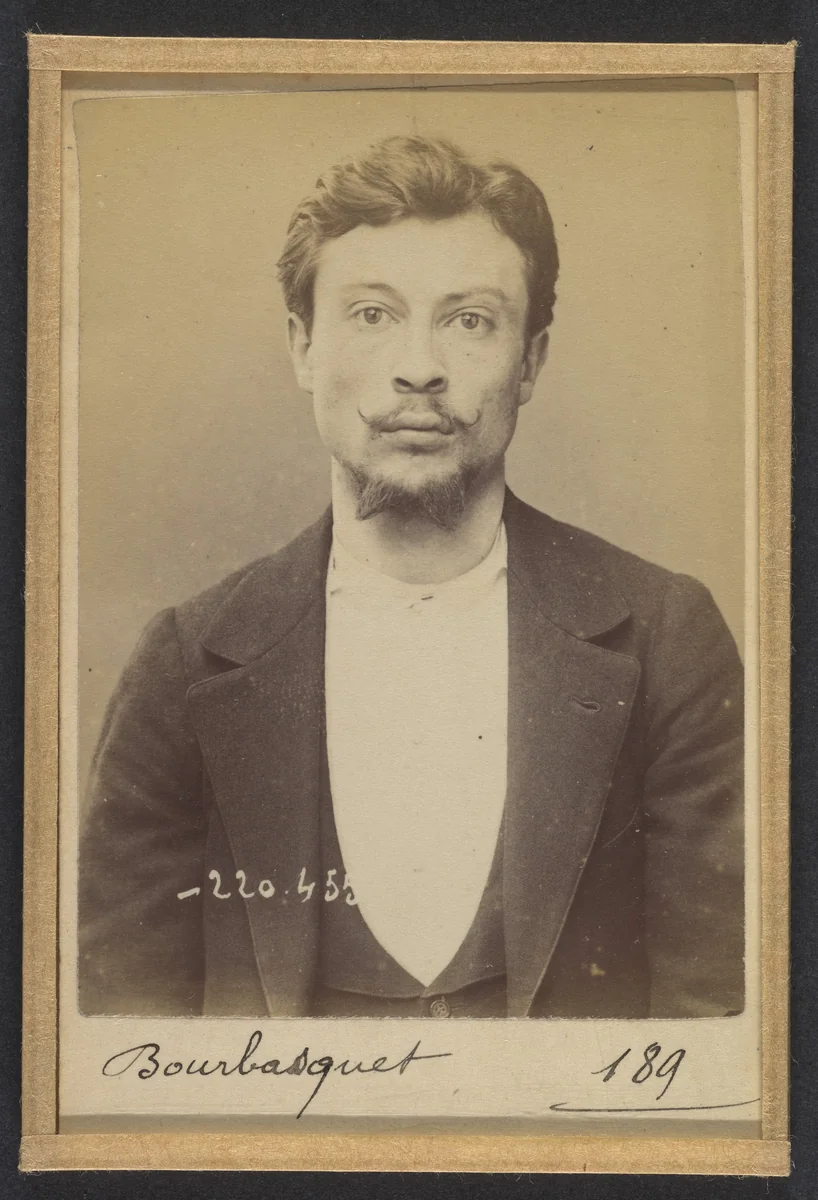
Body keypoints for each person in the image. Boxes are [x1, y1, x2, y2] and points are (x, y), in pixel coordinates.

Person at [78, 134, 744, 1020]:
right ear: (302, 348)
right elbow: (125, 1056)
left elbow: (721, 1043)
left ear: (531, 361)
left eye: (470, 319)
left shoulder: (667, 638)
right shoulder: (186, 661)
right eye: (372, 314)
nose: (419, 366)